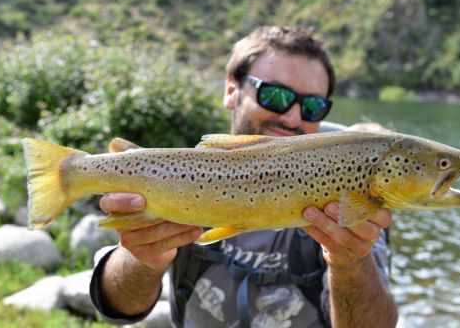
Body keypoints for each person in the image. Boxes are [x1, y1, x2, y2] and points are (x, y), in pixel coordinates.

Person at [90, 26, 398, 327]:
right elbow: (117, 309)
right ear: (231, 90)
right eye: (274, 96)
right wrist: (140, 258)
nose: (292, 118)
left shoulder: (346, 193)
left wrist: (351, 264)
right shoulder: (179, 178)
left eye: (312, 107)